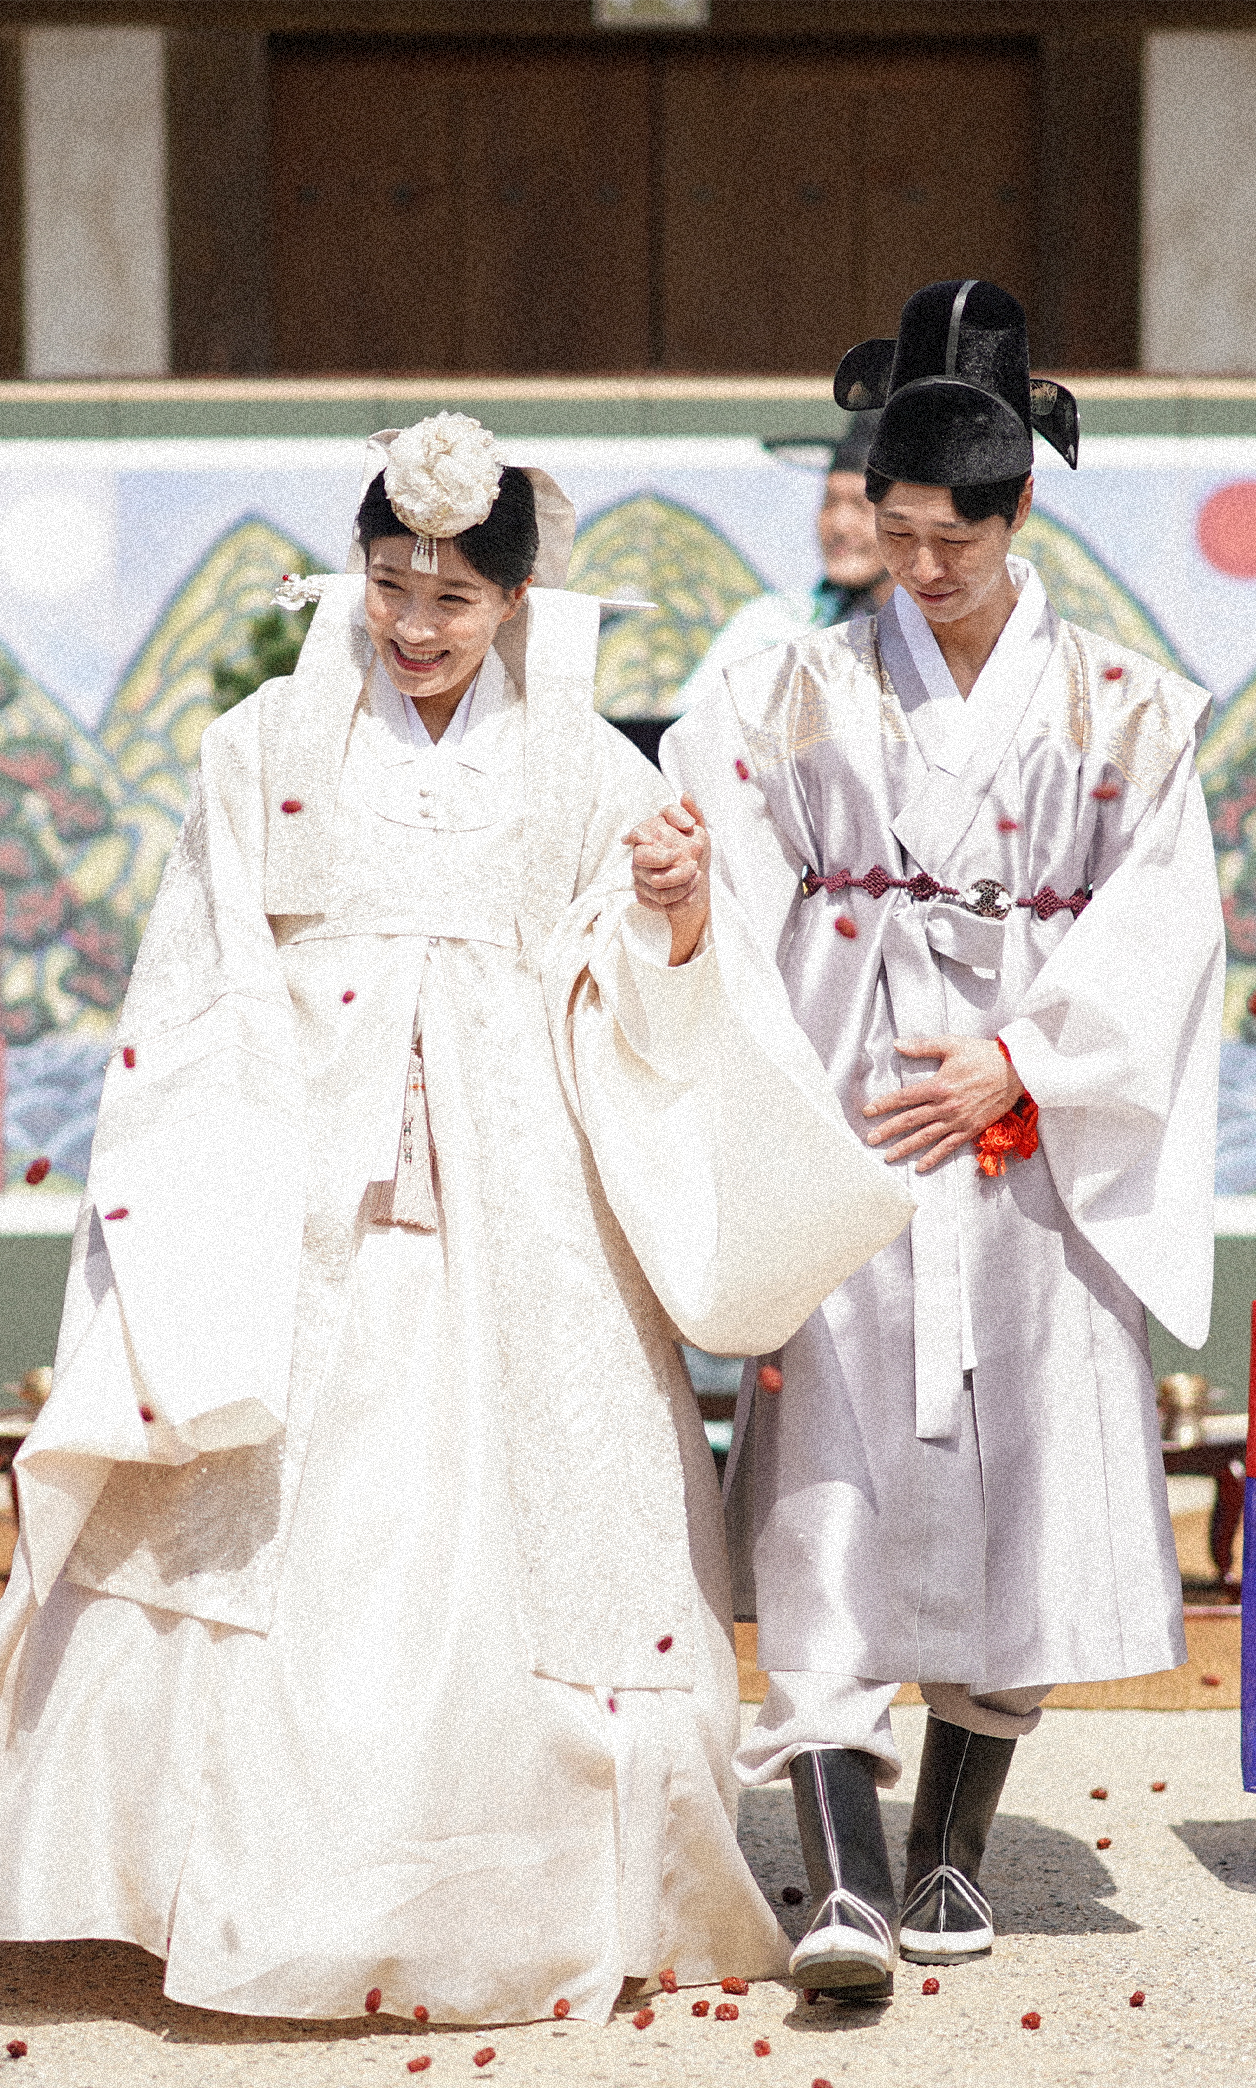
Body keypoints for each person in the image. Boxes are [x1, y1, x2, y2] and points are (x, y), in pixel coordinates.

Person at [0, 415, 911, 2026]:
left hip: (523, 1194)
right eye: (390, 585)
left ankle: (502, 1889)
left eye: (453, 601)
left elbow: (636, 983)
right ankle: (203, 1883)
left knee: (531, 1515)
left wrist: (673, 911)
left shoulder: (587, 765)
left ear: (513, 601)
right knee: (265, 1500)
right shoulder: (265, 745)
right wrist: (224, 1147)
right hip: (298, 1174)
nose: (415, 627)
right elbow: (200, 969)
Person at [662, 281, 1224, 1997]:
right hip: (848, 1133)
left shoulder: (1126, 707)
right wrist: (678, 901)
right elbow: (713, 877)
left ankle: (950, 1850)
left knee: (1020, 1480)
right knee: (827, 1484)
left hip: (1028, 1142)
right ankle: (840, 1875)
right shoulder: (787, 691)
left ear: (1021, 509)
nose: (918, 567)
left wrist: (1020, 1059)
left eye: (951, 541)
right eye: (893, 532)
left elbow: (1166, 928)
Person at [674, 418, 892, 716]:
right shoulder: (772, 624)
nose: (839, 525)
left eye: (861, 506)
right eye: (829, 503)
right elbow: (691, 722)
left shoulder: (944, 628)